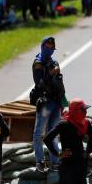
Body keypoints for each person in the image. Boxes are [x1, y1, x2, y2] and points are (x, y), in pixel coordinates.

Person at [31, 37, 65, 173]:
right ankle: (40, 161)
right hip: (45, 103)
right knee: (39, 133)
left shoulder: (54, 62)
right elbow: (38, 84)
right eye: (47, 46)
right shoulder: (38, 63)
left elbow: (60, 83)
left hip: (56, 102)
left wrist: (63, 101)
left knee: (53, 133)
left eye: (52, 47)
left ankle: (55, 162)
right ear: (42, 46)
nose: (49, 49)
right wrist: (49, 74)